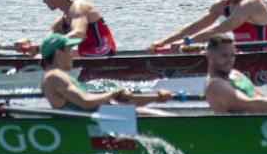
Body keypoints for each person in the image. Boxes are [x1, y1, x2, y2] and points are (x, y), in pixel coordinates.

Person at [39, 33, 170, 111]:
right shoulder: (55, 76)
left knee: (145, 111)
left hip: (102, 117)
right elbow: (87, 102)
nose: (72, 55)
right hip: (92, 124)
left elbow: (98, 101)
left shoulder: (57, 75)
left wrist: (155, 98)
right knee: (151, 115)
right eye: (68, 50)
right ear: (58, 53)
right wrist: (113, 93)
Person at [16, 0, 117, 57]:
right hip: (87, 54)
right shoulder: (60, 22)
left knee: (54, 55)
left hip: (104, 53)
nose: (43, 0)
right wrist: (28, 46)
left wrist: (42, 48)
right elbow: (47, 43)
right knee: (46, 55)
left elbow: (78, 35)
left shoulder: (79, 7)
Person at [203, 34, 267, 114]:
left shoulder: (235, 74)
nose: (230, 60)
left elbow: (261, 98)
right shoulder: (216, 84)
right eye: (224, 56)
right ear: (210, 56)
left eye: (232, 55)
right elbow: (250, 106)